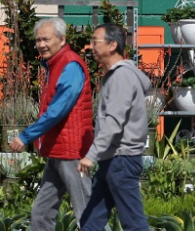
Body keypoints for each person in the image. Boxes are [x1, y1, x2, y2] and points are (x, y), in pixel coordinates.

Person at [9, 17, 94, 231]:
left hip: (72, 152)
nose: (41, 44)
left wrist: (26, 136)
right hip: (58, 151)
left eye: (46, 39)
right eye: (38, 40)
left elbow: (58, 110)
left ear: (62, 39)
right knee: (41, 213)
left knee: (86, 213)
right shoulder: (56, 64)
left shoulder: (71, 65)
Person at [78, 23, 151, 231]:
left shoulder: (121, 76)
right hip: (113, 159)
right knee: (91, 222)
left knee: (134, 223)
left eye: (95, 41)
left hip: (122, 160)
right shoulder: (116, 75)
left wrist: (91, 155)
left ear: (112, 45)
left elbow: (113, 122)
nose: (90, 46)